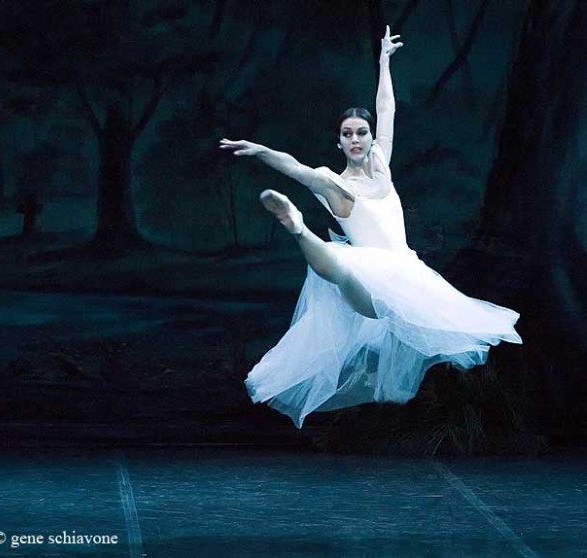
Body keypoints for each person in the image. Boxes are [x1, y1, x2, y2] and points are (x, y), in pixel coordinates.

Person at [219, 26, 522, 428]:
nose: (357, 139)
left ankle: (303, 232)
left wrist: (384, 62)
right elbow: (297, 168)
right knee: (340, 272)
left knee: (396, 338)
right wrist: (261, 152)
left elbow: (388, 110)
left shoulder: (382, 165)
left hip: (407, 273)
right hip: (367, 269)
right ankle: (298, 227)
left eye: (361, 132)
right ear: (339, 142)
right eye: (348, 134)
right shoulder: (336, 183)